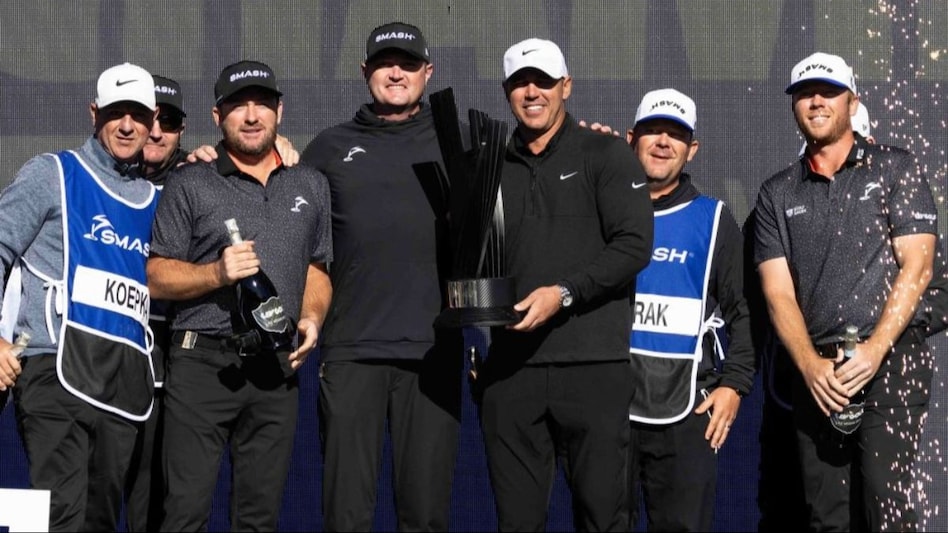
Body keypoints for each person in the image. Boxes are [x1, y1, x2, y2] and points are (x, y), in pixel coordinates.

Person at [754, 52, 938, 531]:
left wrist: (875, 350)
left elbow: (917, 266)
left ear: (851, 101)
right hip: (818, 374)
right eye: (805, 94)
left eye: (828, 92)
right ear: (793, 105)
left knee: (887, 510)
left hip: (893, 363)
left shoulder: (895, 167)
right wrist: (812, 366)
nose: (816, 101)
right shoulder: (777, 192)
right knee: (826, 519)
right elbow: (778, 293)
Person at [147, 60, 332, 531]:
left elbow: (316, 268)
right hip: (200, 367)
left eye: (262, 105)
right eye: (237, 106)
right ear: (216, 116)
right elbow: (156, 275)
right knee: (185, 513)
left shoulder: (309, 183)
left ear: (280, 111)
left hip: (276, 368)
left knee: (258, 518)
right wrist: (216, 272)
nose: (251, 116)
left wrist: (312, 317)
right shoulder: (190, 181)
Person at [477, 38, 653, 531]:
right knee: (517, 521)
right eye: (520, 83)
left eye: (544, 82)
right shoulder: (487, 165)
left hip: (593, 367)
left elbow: (634, 245)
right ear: (506, 91)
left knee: (602, 517)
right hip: (511, 370)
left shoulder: (607, 153)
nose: (533, 92)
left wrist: (564, 293)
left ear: (566, 86)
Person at [299, 22, 462, 532]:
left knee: (426, 515)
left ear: (428, 73)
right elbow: (301, 243)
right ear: (365, 71)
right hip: (352, 352)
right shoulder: (328, 148)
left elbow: (532, 164)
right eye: (385, 63)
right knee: (346, 514)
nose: (397, 72)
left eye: (409, 64)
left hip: (434, 352)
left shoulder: (462, 137)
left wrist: (589, 139)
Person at [0, 62, 160, 532]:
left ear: (153, 121)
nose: (126, 125)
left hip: (122, 387)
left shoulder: (156, 199)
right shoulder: (52, 173)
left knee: (99, 521)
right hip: (55, 371)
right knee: (58, 519)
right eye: (115, 113)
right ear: (94, 112)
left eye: (136, 114)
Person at [624, 88, 754, 531]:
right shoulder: (603, 209)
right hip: (608, 414)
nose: (663, 142)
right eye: (652, 131)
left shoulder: (714, 218)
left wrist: (734, 385)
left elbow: (745, 311)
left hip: (685, 418)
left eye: (675, 135)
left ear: (691, 149)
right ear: (630, 139)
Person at [123, 74, 188, 533]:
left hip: (181, 368)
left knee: (165, 502)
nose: (158, 131)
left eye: (171, 120)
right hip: (105, 363)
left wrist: (283, 147)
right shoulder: (94, 180)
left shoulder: (204, 176)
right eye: (150, 118)